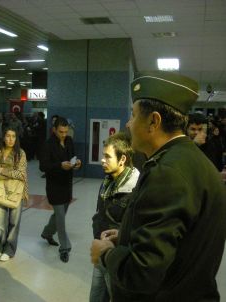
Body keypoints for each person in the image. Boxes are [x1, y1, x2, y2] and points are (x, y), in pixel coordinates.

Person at [90, 70, 226, 301]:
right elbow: (179, 238)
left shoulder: (167, 173)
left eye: (133, 116)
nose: (129, 124)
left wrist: (106, 255)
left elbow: (143, 273)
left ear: (154, 121)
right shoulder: (191, 160)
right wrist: (126, 235)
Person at [90, 132, 139, 302]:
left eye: (107, 156)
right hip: (101, 250)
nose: (102, 160)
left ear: (122, 159)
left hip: (117, 257)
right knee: (96, 297)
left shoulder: (135, 189)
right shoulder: (108, 180)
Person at [40, 117, 81, 263]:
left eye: (66, 131)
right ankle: (65, 248)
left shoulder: (69, 141)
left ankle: (47, 233)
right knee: (61, 218)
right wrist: (59, 166)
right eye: (61, 132)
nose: (63, 134)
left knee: (60, 214)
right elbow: (43, 166)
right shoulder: (48, 145)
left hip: (67, 185)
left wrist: (76, 163)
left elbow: (73, 157)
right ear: (54, 130)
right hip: (54, 186)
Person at [0, 126, 28, 262]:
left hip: (16, 192)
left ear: (16, 138)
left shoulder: (20, 153)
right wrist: (11, 174)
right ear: (3, 137)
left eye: (13, 136)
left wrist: (3, 171)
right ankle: (2, 246)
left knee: (14, 222)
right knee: (0, 223)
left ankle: (9, 250)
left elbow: (21, 174)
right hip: (0, 191)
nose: (11, 139)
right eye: (8, 136)